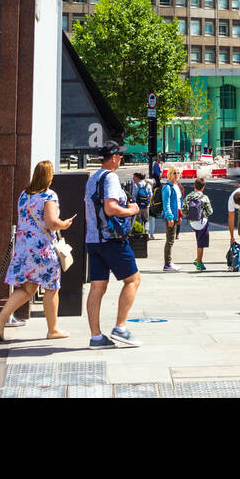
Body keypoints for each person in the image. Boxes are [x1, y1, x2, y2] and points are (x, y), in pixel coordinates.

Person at [0, 159, 73, 341]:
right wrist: (65, 224)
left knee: (27, 288)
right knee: (52, 287)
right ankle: (52, 329)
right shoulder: (48, 196)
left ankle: (2, 316)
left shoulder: (24, 195)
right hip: (42, 249)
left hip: (23, 249)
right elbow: (51, 222)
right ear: (49, 176)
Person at [84, 140, 143, 349]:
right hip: (112, 239)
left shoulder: (93, 179)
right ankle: (120, 327)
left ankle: (96, 337)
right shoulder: (111, 178)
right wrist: (131, 211)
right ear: (114, 157)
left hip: (93, 240)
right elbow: (110, 208)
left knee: (97, 287)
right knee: (133, 280)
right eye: (120, 156)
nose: (121, 159)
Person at [184, 175, 213, 271]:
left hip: (192, 222)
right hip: (202, 223)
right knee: (201, 243)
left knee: (198, 239)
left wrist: (191, 215)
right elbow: (210, 212)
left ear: (194, 186)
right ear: (203, 187)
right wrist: (202, 214)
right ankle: (199, 263)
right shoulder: (204, 197)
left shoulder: (188, 196)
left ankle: (198, 258)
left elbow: (184, 210)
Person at [162, 165, 183, 272]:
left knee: (171, 240)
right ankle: (167, 264)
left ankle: (169, 262)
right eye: (174, 173)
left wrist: (180, 215)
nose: (176, 175)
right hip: (170, 216)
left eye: (178, 173)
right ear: (169, 174)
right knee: (170, 240)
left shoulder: (176, 186)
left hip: (176, 215)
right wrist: (169, 217)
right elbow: (166, 204)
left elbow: (179, 202)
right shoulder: (167, 187)